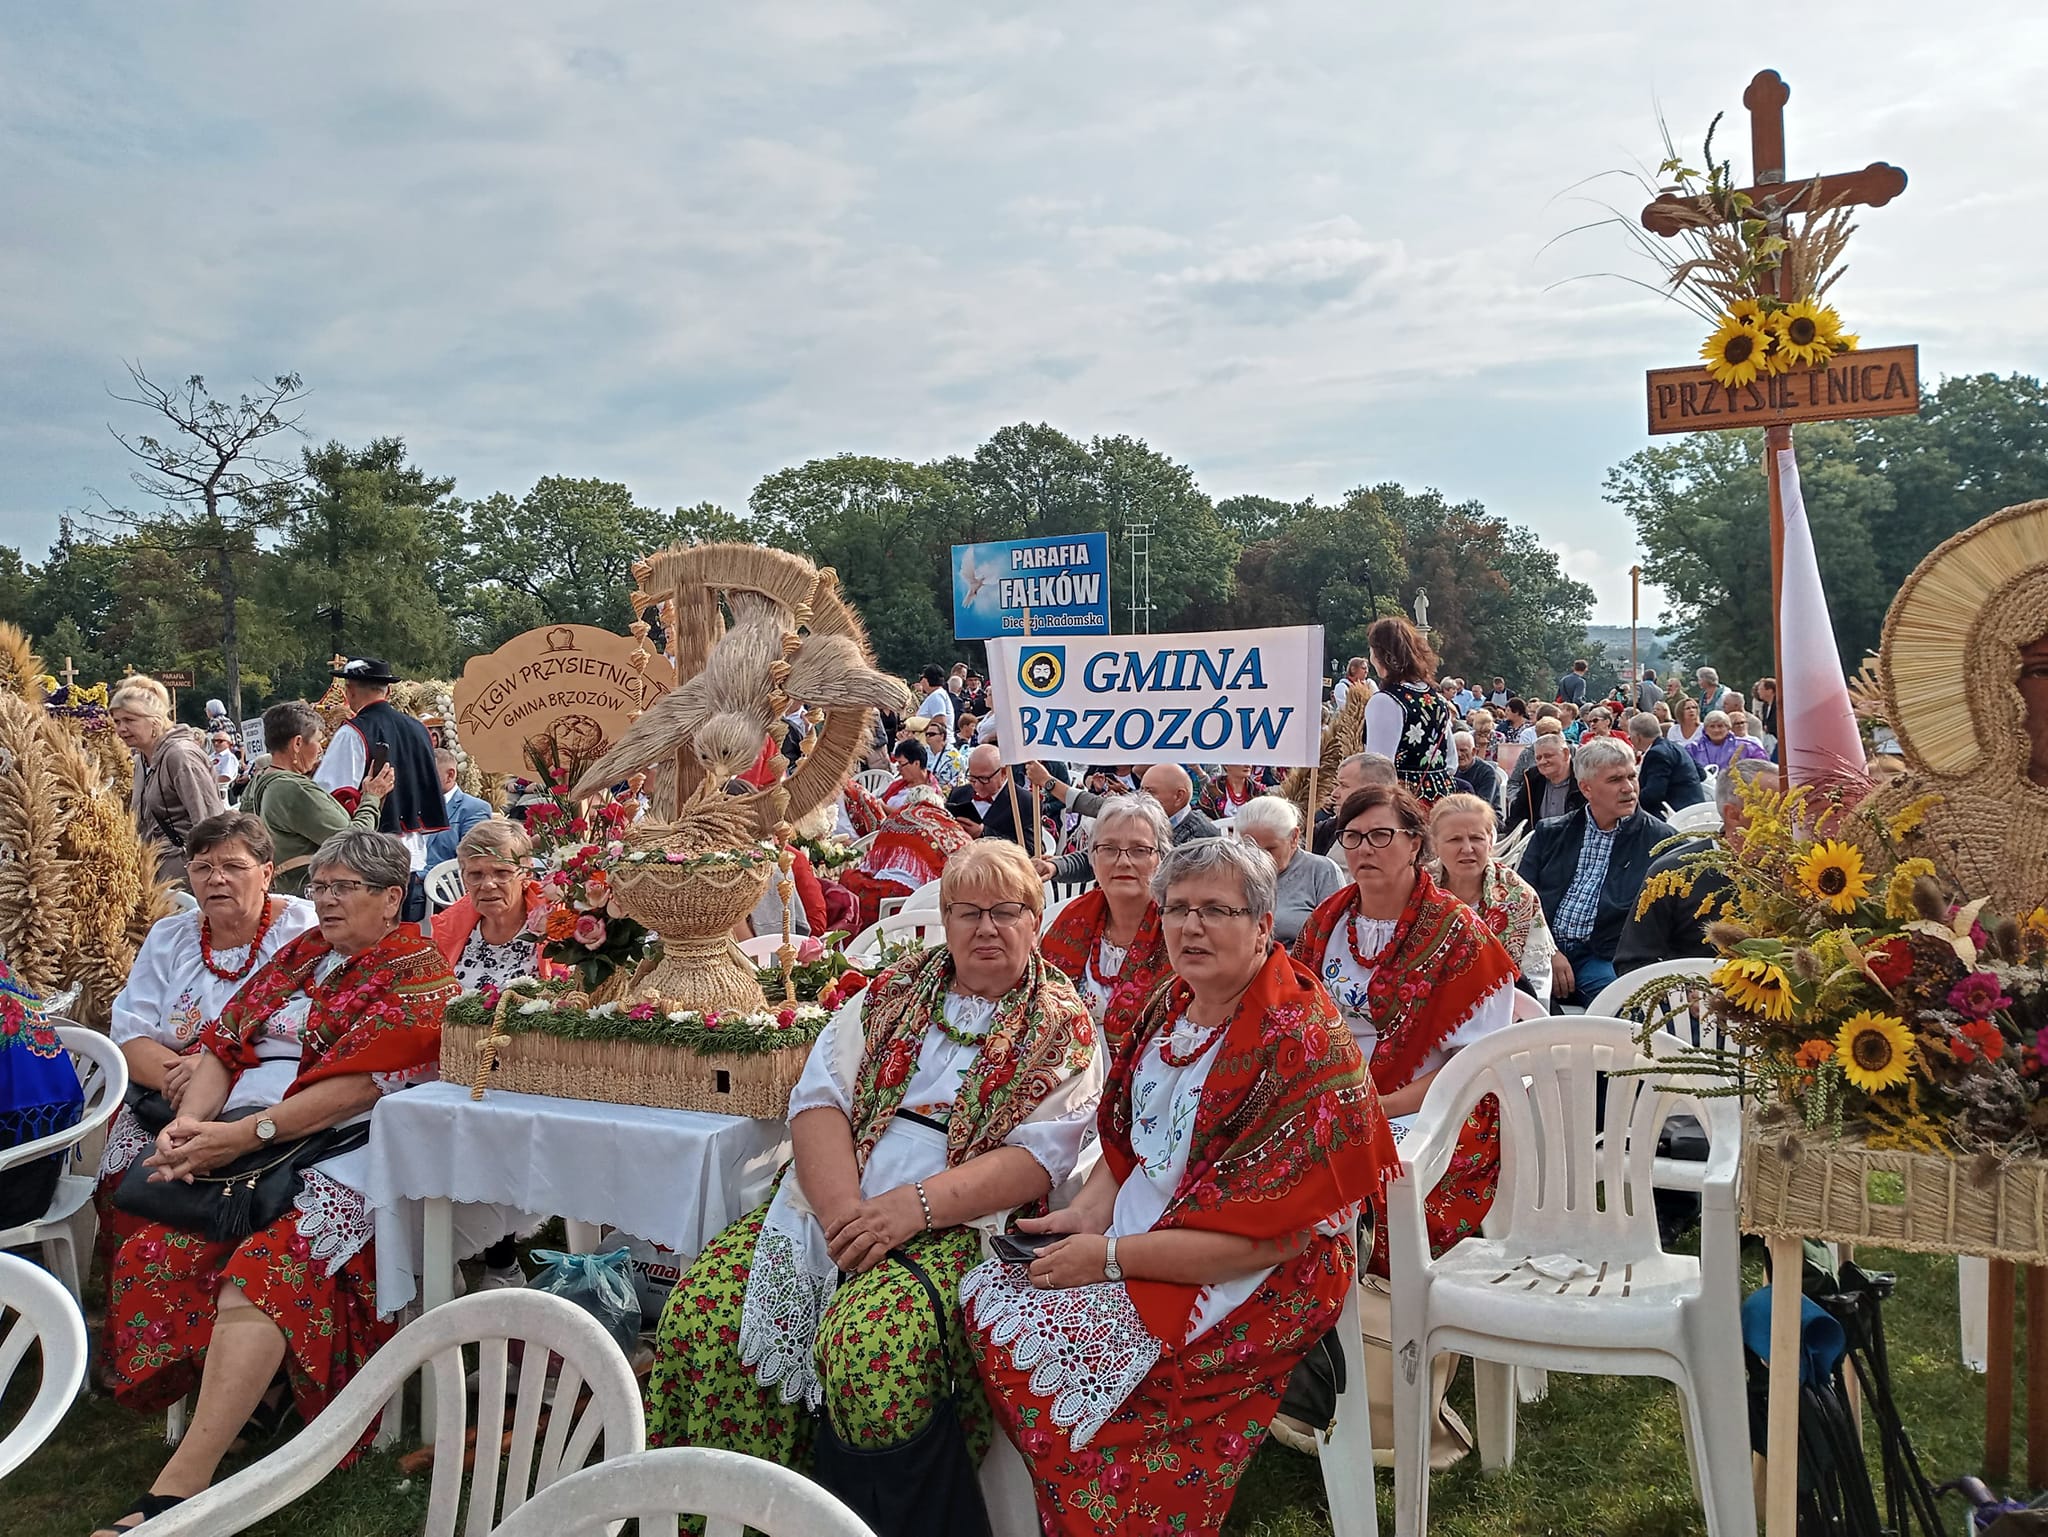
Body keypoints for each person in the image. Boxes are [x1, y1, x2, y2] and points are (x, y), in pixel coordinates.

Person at [965, 838, 1395, 1537]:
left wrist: (1108, 1259)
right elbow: (1130, 1143)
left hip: (1265, 1271)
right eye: (1178, 909)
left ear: (1262, 924)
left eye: (1216, 910)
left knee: (1067, 1367)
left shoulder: (1300, 1038)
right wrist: (1087, 1216)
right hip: (1151, 1236)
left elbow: (1262, 1236)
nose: (1190, 927)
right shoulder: (1173, 999)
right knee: (987, 1302)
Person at [644, 841, 1102, 1472]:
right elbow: (820, 1099)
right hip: (841, 1190)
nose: (987, 928)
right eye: (968, 912)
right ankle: (716, 1508)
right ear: (947, 919)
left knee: (872, 1343)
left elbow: (1039, 1158)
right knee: (705, 1313)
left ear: (1034, 919)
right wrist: (842, 1217)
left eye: (1006, 910)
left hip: (961, 1215)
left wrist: (908, 1211)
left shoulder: (1061, 1021)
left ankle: (854, 1505)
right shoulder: (894, 990)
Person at [95, 831, 455, 1534]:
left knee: (262, 1270)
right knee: (156, 1250)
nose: (324, 899)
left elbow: (353, 1091)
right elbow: (226, 1041)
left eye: (343, 887)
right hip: (252, 1143)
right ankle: (244, 1406)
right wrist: (188, 1125)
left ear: (390, 898)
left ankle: (181, 1488)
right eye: (318, 885)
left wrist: (239, 1135)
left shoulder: (416, 970)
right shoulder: (305, 954)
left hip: (351, 1156)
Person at [1293, 785, 1518, 1264]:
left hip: (1427, 1102)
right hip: (1332, 1090)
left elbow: (1475, 1063)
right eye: (1351, 837)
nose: (1364, 849)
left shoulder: (1460, 933)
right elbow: (1293, 1018)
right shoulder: (1327, 922)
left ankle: (1336, 1288)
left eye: (1380, 835)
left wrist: (1381, 1104)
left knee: (1330, 1176)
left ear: (1416, 844)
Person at [94, 815, 318, 1275]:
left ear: (267, 873)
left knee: (246, 1208)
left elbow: (313, 1031)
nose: (215, 879)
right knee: (136, 1180)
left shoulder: (304, 930)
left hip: (267, 1102)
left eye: (233, 866)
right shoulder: (170, 936)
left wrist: (218, 1070)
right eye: (201, 867)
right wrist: (185, 1078)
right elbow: (131, 1034)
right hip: (166, 1097)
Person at [1520, 737, 1677, 1006]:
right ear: (1586, 789)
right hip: (1543, 950)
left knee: (1626, 1008)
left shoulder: (1661, 842)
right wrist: (1550, 951)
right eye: (1615, 780)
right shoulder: (1551, 832)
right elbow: (1521, 899)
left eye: (1631, 776)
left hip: (1605, 957)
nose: (1628, 788)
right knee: (1504, 1005)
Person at [1614, 758, 1771, 970]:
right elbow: (1633, 961)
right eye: (1773, 808)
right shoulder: (1672, 875)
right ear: (1733, 814)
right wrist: (1683, 995)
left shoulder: (1800, 873)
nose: (1790, 819)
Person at [1038, 795, 1172, 1034]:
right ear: (1092, 858)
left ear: (1161, 859)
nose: (1123, 861)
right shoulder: (1070, 921)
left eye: (1139, 850)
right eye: (1109, 849)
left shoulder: (1178, 930)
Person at [241, 702, 394, 897]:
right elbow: (353, 842)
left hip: (279, 893)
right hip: (310, 896)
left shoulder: (257, 781)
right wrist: (372, 796)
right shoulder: (294, 788)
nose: (321, 750)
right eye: (318, 742)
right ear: (297, 743)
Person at [315, 658, 448, 871]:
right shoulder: (419, 729)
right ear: (387, 692)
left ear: (349, 692)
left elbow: (328, 797)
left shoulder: (352, 733)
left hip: (367, 855)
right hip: (412, 855)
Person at [1428, 794, 1555, 1009]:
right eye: (1454, 839)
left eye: (1477, 838)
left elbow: (1537, 977)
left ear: (1490, 840)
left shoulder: (1518, 896)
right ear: (1435, 845)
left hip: (1504, 1017)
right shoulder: (1417, 891)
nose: (1467, 848)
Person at [110, 675, 225, 886]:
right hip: (157, 877)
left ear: (154, 721)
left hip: (188, 879)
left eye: (129, 720)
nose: (121, 729)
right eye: (117, 721)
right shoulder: (141, 760)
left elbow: (211, 822)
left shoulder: (180, 756)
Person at [1035, 762, 1219, 883]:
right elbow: (1095, 857)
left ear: (1179, 796)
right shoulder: (1138, 817)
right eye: (1141, 790)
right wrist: (1056, 866)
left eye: (1150, 792)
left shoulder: (1203, 838)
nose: (1141, 797)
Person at [841, 767, 974, 929]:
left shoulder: (901, 816)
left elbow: (869, 866)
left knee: (848, 880)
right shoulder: (954, 827)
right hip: (942, 901)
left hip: (897, 900)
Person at [1361, 615, 1456, 803]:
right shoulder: (1437, 700)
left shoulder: (1385, 701)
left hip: (1401, 805)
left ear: (1381, 655)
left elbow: (1378, 769)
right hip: (1441, 799)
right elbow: (1451, 762)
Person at [1234, 793, 1344, 945]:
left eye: (1270, 849)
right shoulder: (1235, 873)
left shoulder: (1322, 872)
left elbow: (1335, 937)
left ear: (1294, 837)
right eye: (1251, 848)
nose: (1260, 858)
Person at [947, 744, 1048, 851]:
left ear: (1004, 773)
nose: (977, 785)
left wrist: (983, 833)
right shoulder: (959, 794)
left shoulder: (1026, 802)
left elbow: (1032, 849)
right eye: (972, 778)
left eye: (984, 779)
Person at [1311, 751, 1398, 856]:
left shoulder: (1401, 833)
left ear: (1371, 789)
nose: (1334, 794)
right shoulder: (1326, 830)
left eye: (1344, 785)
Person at [1629, 710, 1707, 819]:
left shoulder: (1656, 754)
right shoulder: (1676, 747)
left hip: (1677, 815)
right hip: (1697, 809)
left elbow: (1653, 794)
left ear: (1637, 736)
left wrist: (1629, 801)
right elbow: (1702, 774)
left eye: (1630, 736)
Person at [1503, 733, 1583, 837]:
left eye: (1548, 756)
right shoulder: (1532, 779)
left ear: (1566, 754)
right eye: (1538, 758)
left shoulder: (1583, 780)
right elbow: (1516, 818)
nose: (1542, 762)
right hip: (1538, 842)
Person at [423, 750, 492, 867]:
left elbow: (471, 858)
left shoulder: (474, 809)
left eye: (425, 773)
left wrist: (419, 876)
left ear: (450, 775)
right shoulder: (408, 805)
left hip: (444, 883)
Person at [1685, 710, 1770, 775]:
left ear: (1728, 728)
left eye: (1720, 726)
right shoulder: (1692, 749)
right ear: (1705, 730)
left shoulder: (1748, 747)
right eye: (1712, 726)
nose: (1716, 730)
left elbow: (1763, 770)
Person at [1452, 729, 1501, 809]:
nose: (1459, 754)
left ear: (1474, 751)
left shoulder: (1487, 771)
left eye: (1463, 750)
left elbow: (1483, 805)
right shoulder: (1450, 770)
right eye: (1455, 751)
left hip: (1487, 815)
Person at [1196, 763, 1263, 819]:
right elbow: (1201, 814)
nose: (1248, 765)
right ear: (1226, 765)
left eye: (1249, 761)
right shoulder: (1212, 788)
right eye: (1241, 761)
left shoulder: (1257, 790)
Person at [880, 737, 934, 807]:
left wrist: (882, 806)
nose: (899, 769)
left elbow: (914, 814)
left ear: (916, 763)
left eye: (901, 764)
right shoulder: (898, 784)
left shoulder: (931, 792)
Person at [921, 716, 968, 791]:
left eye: (932, 734)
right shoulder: (923, 752)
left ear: (942, 736)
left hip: (947, 793)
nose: (928, 736)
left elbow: (958, 780)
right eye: (926, 734)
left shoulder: (953, 756)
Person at [915, 662, 956, 733]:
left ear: (926, 680)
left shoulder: (937, 696)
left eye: (921, 678)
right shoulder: (936, 694)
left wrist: (918, 727)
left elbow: (940, 720)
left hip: (936, 741)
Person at [207, 731, 241, 796]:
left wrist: (205, 781)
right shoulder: (210, 757)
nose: (216, 743)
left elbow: (226, 777)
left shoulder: (229, 758)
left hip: (221, 793)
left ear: (228, 743)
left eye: (220, 741)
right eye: (214, 741)